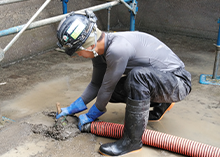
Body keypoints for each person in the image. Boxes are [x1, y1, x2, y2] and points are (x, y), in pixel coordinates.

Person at [56, 10, 191, 156]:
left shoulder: (116, 49)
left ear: (87, 46)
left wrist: (92, 114)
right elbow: (97, 84)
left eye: (77, 51)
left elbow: (107, 87)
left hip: (177, 82)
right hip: (161, 81)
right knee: (113, 90)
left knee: (137, 77)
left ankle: (132, 141)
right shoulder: (99, 50)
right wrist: (73, 108)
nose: (78, 55)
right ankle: (161, 103)